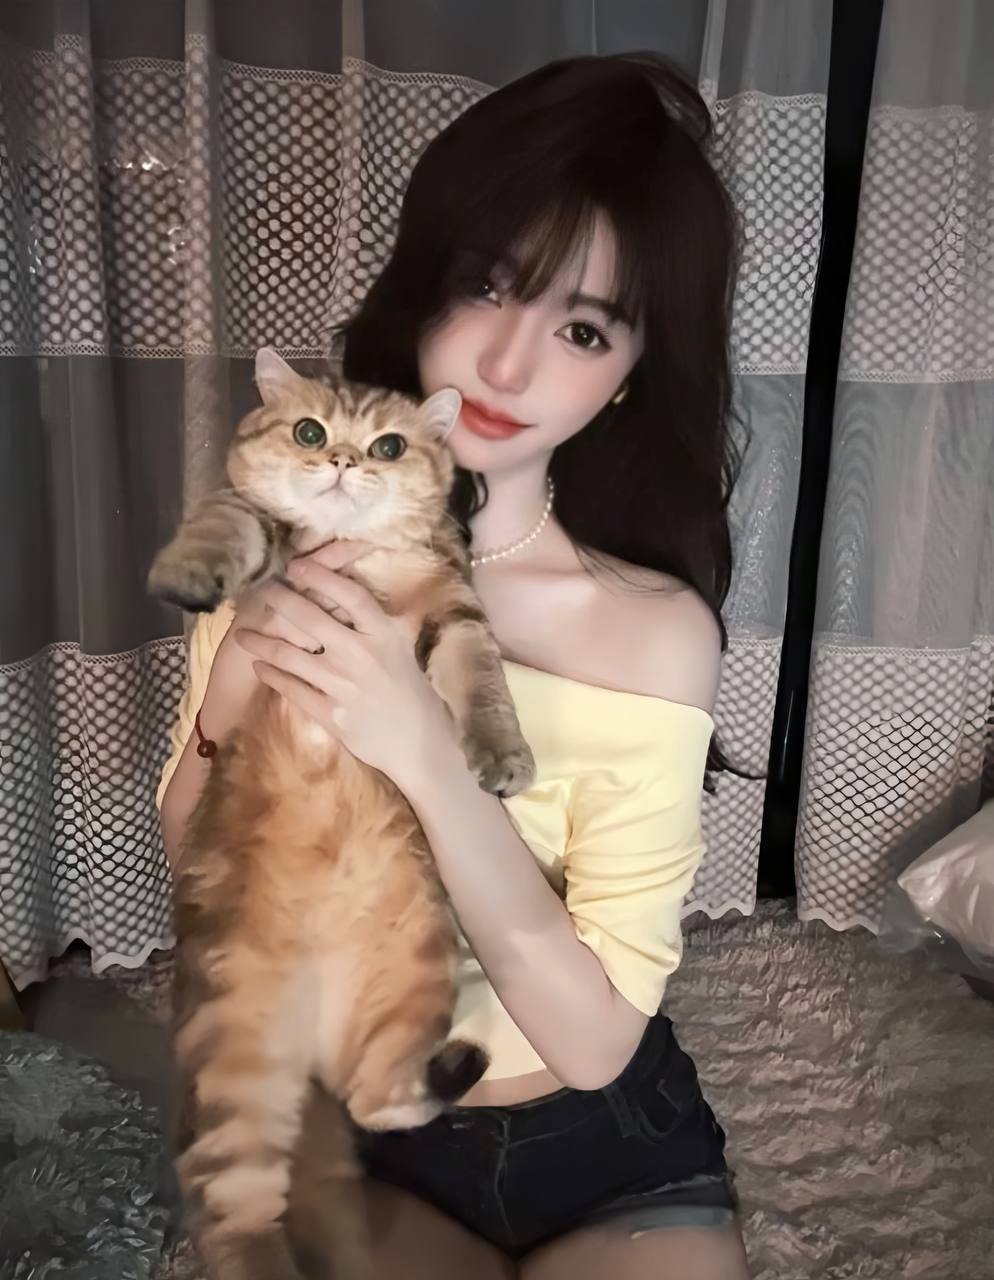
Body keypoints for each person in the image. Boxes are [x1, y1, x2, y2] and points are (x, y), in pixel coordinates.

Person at [157, 52, 751, 1280]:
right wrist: (232, 685)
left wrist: (426, 752)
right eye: (488, 286)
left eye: (580, 327)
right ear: (425, 289)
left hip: (608, 1141)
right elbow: (199, 852)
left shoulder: (653, 631)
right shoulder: (289, 547)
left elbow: (595, 1041)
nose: (508, 366)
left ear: (627, 375)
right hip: (365, 1118)